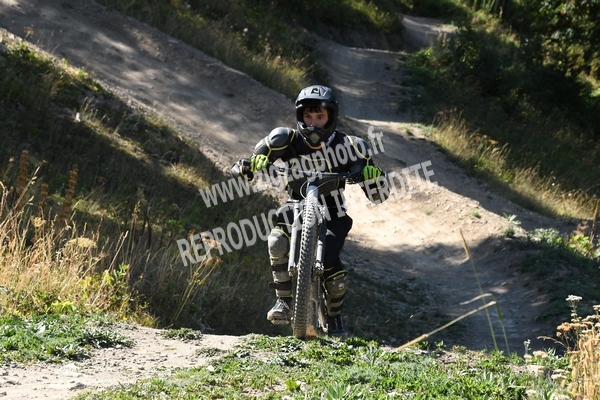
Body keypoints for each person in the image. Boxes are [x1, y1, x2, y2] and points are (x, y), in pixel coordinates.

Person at [231, 85, 389, 338]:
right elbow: (244, 166)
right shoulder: (283, 139)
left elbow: (378, 195)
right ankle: (283, 301)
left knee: (330, 261)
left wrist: (374, 176)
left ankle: (334, 317)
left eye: (320, 116)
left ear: (331, 117)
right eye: (308, 116)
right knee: (276, 241)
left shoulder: (351, 146)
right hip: (295, 203)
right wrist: (249, 165)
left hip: (333, 210)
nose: (313, 123)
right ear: (300, 116)